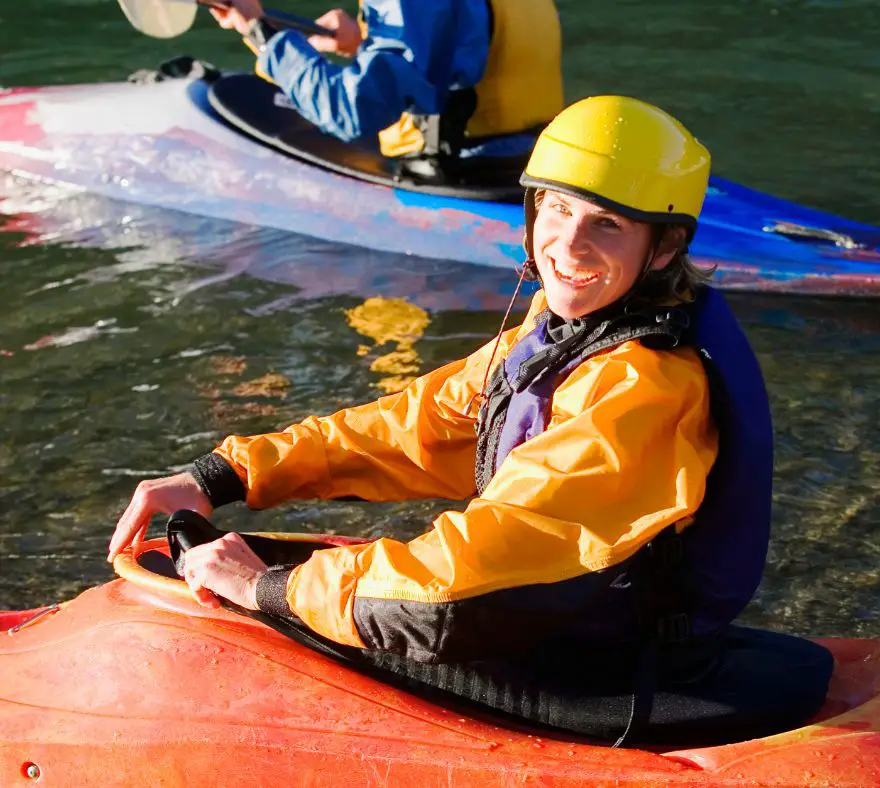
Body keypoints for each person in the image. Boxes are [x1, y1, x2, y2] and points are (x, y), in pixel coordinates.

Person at [109, 95, 833, 747]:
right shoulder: (565, 333)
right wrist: (225, 473)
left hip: (598, 668)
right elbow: (410, 428)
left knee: (274, 597)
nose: (570, 246)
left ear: (665, 247)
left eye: (607, 225)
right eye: (555, 210)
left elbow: (449, 594)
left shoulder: (644, 389)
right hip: (562, 619)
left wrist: (266, 590)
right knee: (259, 566)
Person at [210, 0, 564, 160]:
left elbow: (352, 113)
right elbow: (459, 44)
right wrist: (365, 41)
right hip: (532, 160)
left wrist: (260, 32)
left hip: (457, 171)